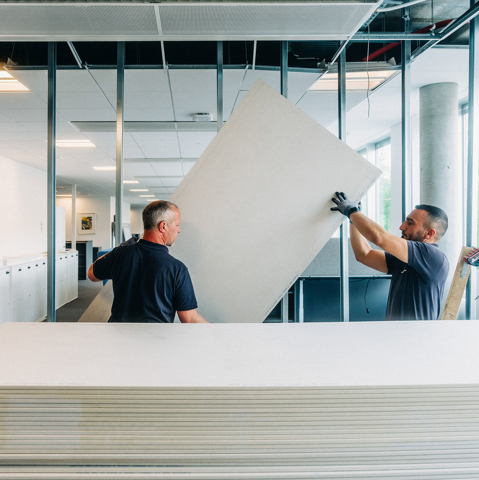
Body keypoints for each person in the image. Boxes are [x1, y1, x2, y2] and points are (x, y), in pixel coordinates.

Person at [330, 192, 449, 320]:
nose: (402, 226)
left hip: (416, 337)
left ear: (429, 233)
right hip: (396, 335)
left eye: (410, 223)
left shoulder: (431, 256)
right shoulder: (407, 258)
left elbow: (380, 238)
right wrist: (353, 221)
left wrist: (352, 211)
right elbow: (364, 254)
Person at [88, 200, 208, 324]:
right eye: (177, 225)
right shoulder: (176, 268)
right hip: (154, 340)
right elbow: (189, 319)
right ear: (163, 226)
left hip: (118, 338)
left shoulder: (119, 254)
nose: (179, 230)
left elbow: (91, 274)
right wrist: (218, 332)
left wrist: (120, 248)